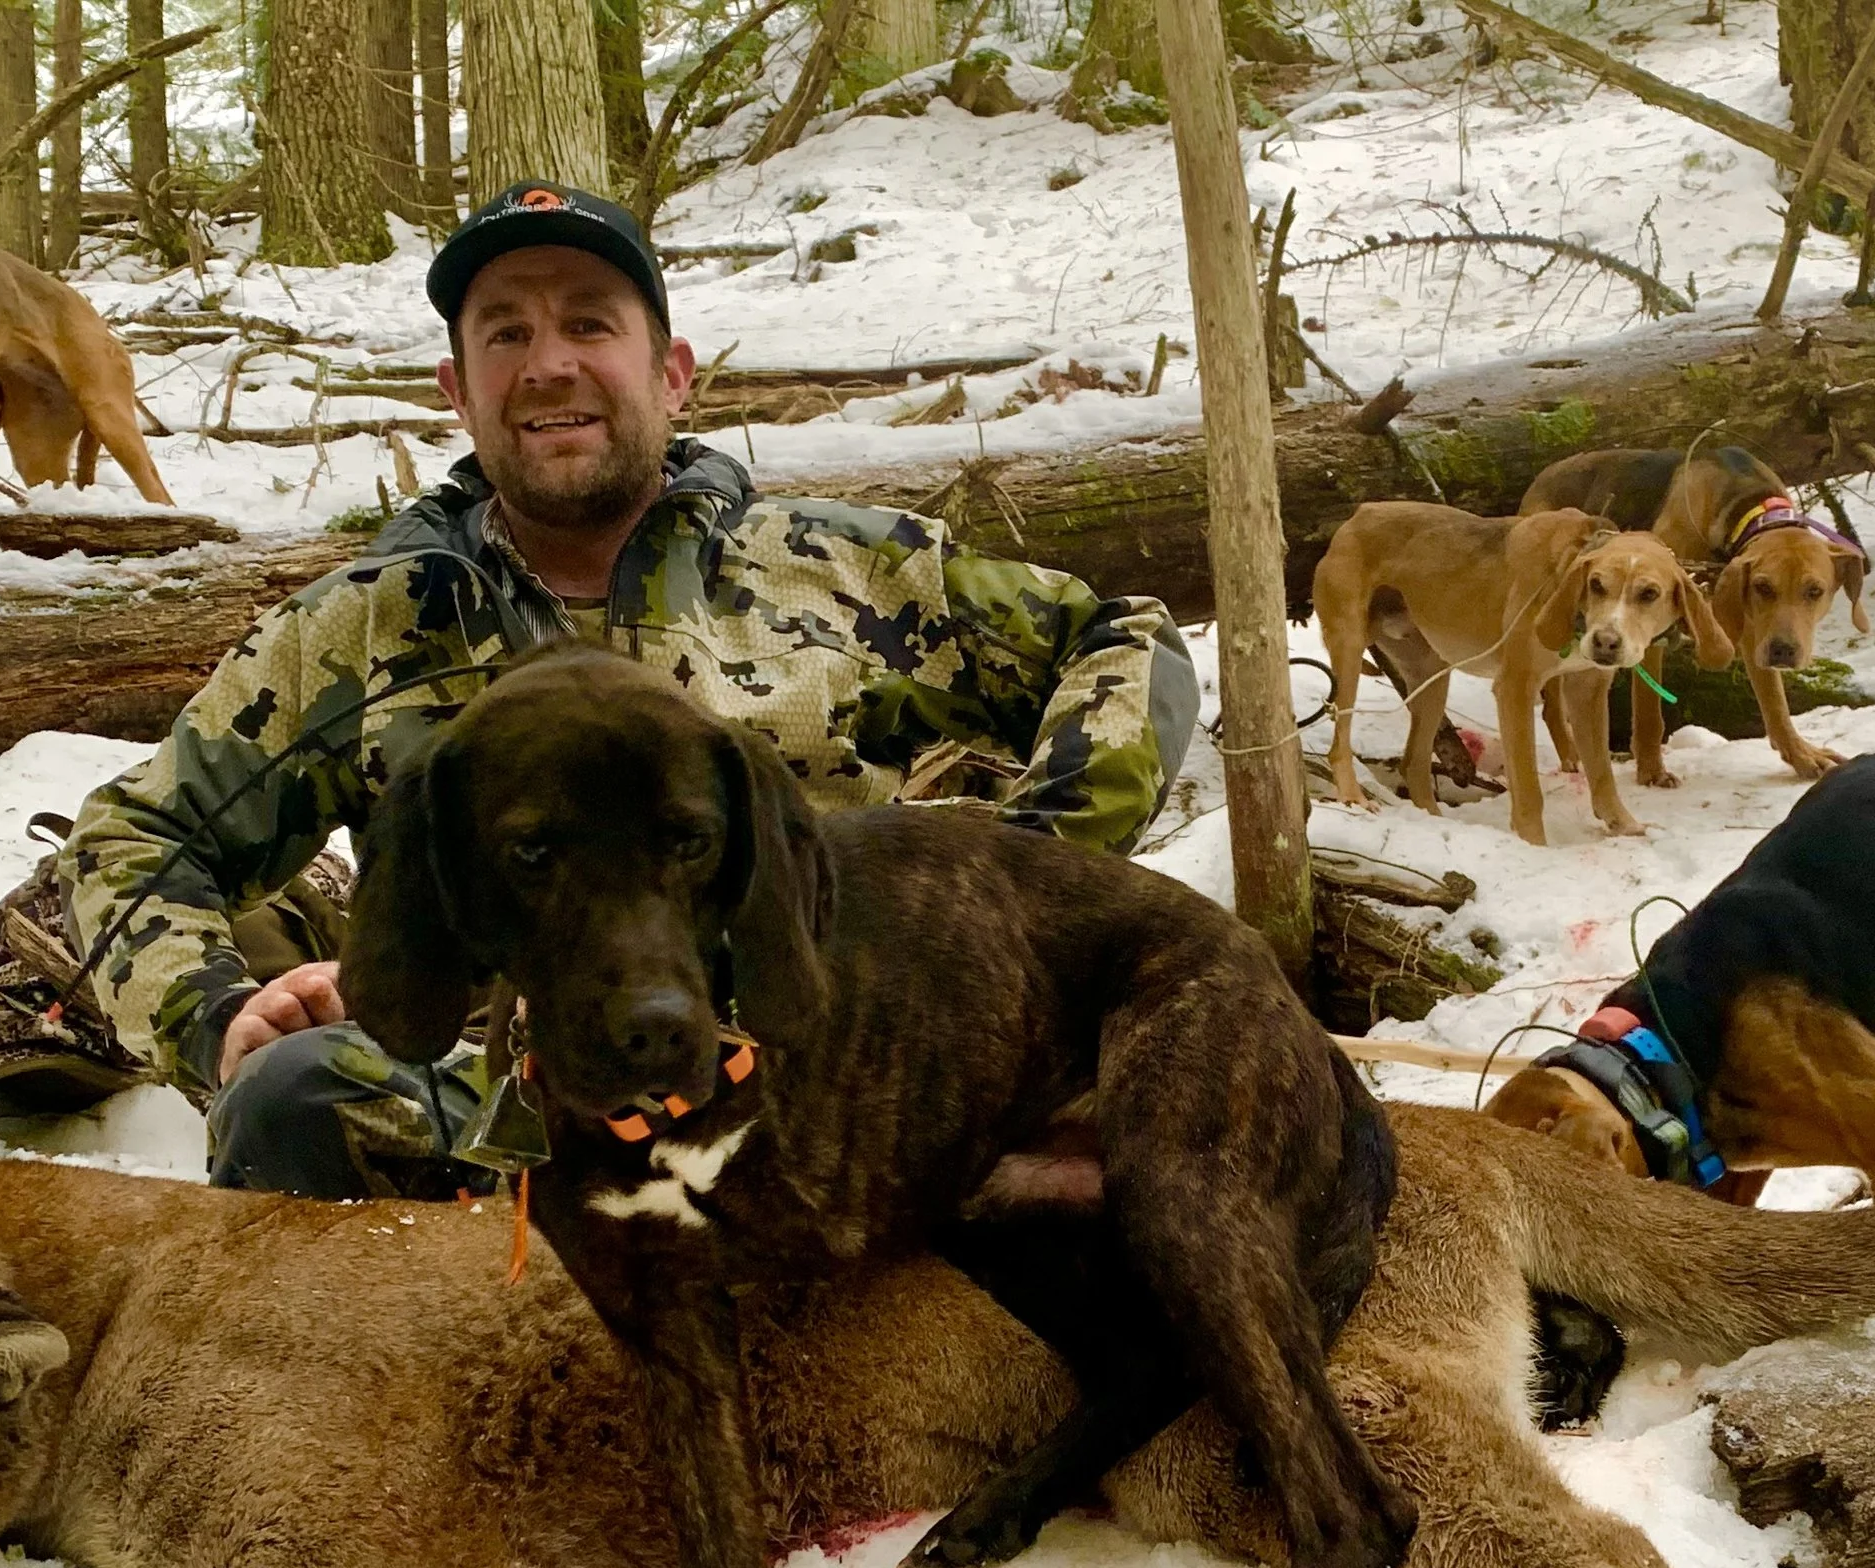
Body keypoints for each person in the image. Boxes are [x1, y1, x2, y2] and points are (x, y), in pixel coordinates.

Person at [62, 181, 1200, 1199]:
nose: (548, 362)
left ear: (672, 372)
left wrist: (1010, 889)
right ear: (458, 391)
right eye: (507, 331)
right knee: (294, 1093)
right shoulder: (363, 631)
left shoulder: (855, 573)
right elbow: (132, 837)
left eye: (589, 324)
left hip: (825, 1084)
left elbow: (1121, 636)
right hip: (514, 1116)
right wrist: (211, 1012)